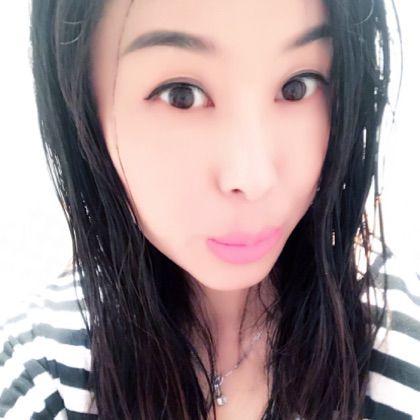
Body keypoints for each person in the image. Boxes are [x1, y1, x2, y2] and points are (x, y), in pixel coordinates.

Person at [1, 0, 419, 419]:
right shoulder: (43, 375)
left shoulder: (398, 339)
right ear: (81, 105)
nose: (253, 178)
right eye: (181, 95)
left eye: (298, 86)